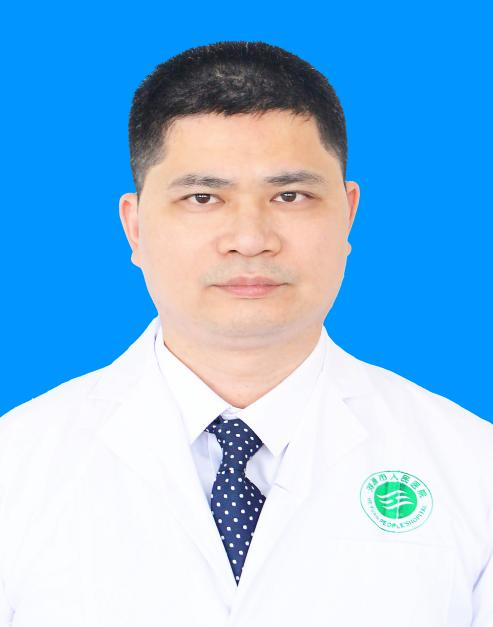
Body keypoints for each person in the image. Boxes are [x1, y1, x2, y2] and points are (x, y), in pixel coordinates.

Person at [0, 40, 491, 627]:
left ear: (347, 214)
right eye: (203, 197)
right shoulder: (17, 466)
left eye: (290, 196)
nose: (251, 239)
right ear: (134, 226)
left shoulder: (473, 468)